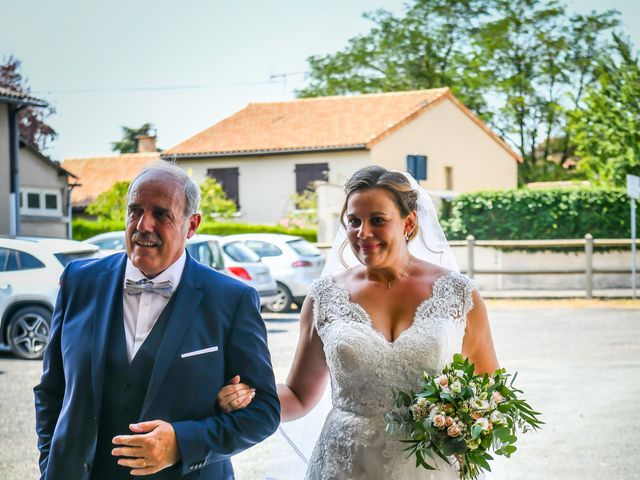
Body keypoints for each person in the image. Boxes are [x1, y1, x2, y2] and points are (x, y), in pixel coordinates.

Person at [218, 165, 499, 479]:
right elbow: (298, 396)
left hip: (430, 467)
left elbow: (490, 394)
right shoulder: (324, 297)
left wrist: (462, 429)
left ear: (409, 223)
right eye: (353, 221)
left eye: (377, 220)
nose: (362, 233)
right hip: (345, 465)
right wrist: (250, 399)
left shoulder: (459, 295)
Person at [34, 162, 280, 480]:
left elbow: (264, 412)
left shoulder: (231, 300)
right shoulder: (79, 281)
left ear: (192, 225)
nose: (143, 225)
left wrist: (181, 443)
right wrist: (50, 464)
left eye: (161, 214)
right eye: (135, 211)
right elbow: (52, 389)